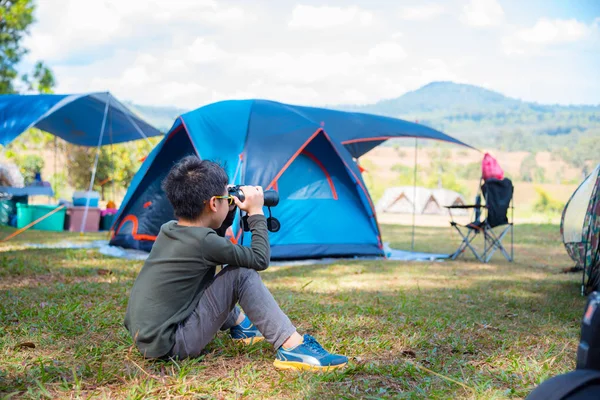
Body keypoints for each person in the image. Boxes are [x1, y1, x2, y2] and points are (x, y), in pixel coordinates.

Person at [124, 156, 348, 371]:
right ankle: (292, 347)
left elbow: (213, 245)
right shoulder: (204, 243)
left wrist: (228, 211)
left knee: (207, 279)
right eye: (225, 197)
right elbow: (259, 259)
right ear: (213, 203)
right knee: (241, 273)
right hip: (173, 344)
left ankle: (241, 326)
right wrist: (256, 212)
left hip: (149, 337)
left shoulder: (171, 229)